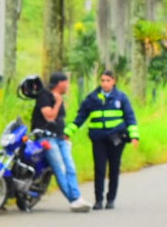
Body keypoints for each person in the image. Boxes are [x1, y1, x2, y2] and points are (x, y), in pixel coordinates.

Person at [66, 69, 140, 210]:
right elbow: (80, 117)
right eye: (102, 80)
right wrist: (69, 131)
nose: (105, 83)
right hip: (98, 138)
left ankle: (110, 199)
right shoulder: (92, 98)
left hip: (116, 138)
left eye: (108, 80)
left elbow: (130, 117)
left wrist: (134, 136)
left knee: (114, 168)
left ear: (114, 82)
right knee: (99, 168)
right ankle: (98, 200)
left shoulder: (121, 98)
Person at [32, 72, 92, 212]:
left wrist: (65, 135)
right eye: (67, 82)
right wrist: (58, 102)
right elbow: (50, 117)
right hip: (47, 138)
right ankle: (74, 200)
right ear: (60, 83)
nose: (68, 86)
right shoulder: (44, 96)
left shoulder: (59, 97)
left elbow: (59, 120)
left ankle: (77, 197)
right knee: (60, 168)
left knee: (70, 167)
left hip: (60, 138)